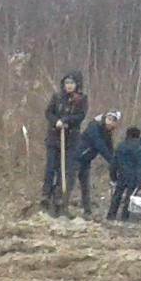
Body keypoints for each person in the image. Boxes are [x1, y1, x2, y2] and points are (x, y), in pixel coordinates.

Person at [41, 71, 87, 211]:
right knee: (50, 167)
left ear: (77, 85)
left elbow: (80, 116)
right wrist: (57, 122)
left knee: (64, 169)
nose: (69, 86)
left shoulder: (81, 99)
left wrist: (66, 121)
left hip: (70, 139)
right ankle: (46, 194)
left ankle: (59, 195)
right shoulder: (57, 97)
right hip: (54, 137)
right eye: (67, 83)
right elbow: (49, 112)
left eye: (72, 83)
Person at [68, 111, 116, 217]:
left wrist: (115, 162)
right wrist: (111, 160)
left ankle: (87, 210)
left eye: (113, 121)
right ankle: (63, 205)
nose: (110, 122)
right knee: (70, 183)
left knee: (85, 186)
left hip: (86, 161)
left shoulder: (107, 133)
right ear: (105, 119)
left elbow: (110, 148)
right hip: (77, 157)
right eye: (109, 119)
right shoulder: (94, 126)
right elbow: (99, 145)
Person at [105, 126, 141, 224]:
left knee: (117, 196)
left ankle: (111, 216)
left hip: (122, 175)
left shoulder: (121, 146)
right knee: (129, 198)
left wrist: (113, 176)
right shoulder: (139, 148)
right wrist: (140, 181)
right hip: (133, 177)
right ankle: (124, 218)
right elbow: (140, 165)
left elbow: (114, 163)